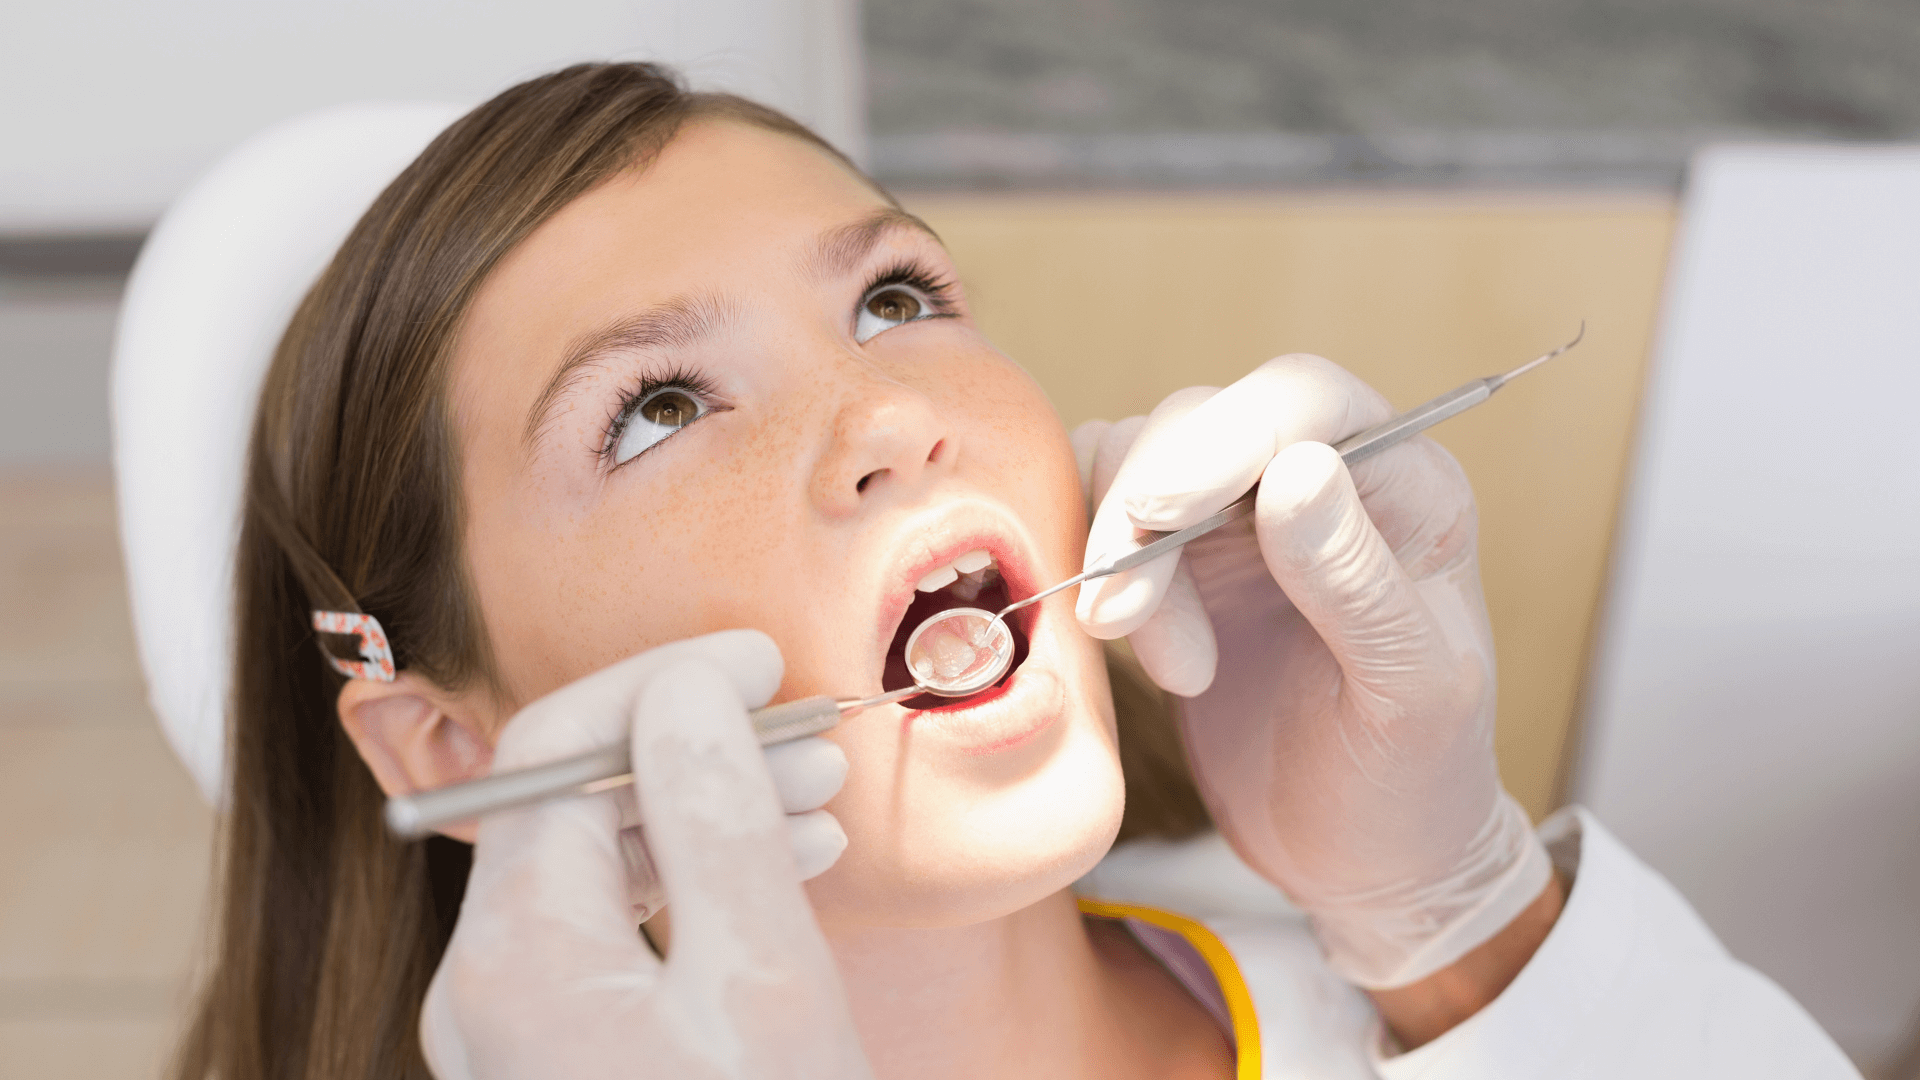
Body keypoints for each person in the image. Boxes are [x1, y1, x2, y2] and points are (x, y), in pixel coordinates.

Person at [174, 62, 1855, 1079]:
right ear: (459, 753)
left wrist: (1462, 923)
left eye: (895, 299)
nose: (895, 414)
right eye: (657, 407)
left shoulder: (1423, 1009)